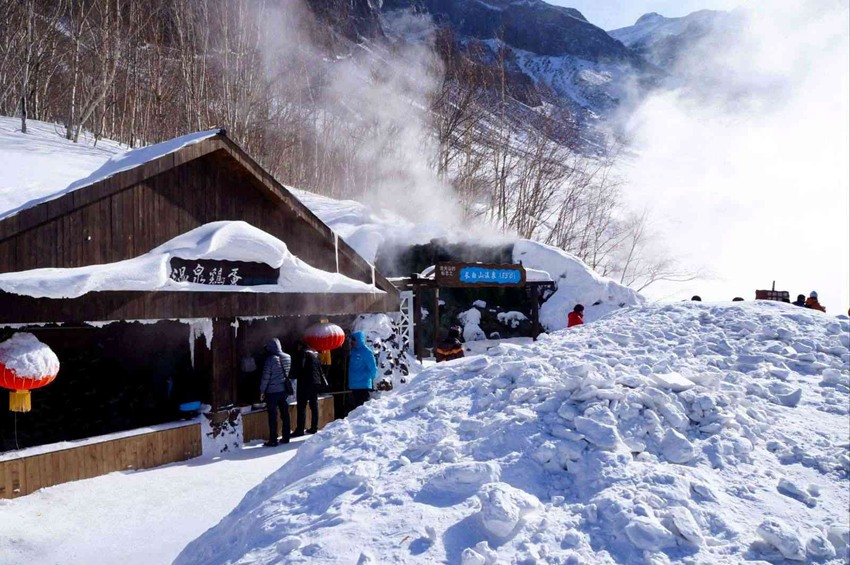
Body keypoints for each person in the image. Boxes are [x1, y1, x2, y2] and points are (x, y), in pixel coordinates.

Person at [260, 338, 292, 446]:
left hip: (272, 392)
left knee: (273, 416)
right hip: (284, 391)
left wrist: (262, 390)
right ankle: (286, 436)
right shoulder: (288, 357)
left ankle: (273, 439)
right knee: (285, 414)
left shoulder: (270, 360)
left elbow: (266, 377)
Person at [291, 341, 323, 436]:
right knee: (314, 405)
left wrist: (293, 375)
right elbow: (319, 370)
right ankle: (314, 427)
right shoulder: (314, 354)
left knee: (301, 406)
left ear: (300, 346)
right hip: (315, 383)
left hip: (305, 382)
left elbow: (299, 367)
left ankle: (300, 429)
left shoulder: (302, 353)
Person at [348, 331, 377, 410]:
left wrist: (370, 379)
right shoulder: (353, 351)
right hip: (354, 384)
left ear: (359, 340)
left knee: (362, 408)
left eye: (354, 340)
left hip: (363, 385)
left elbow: (373, 368)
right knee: (356, 408)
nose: (352, 342)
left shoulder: (366, 352)